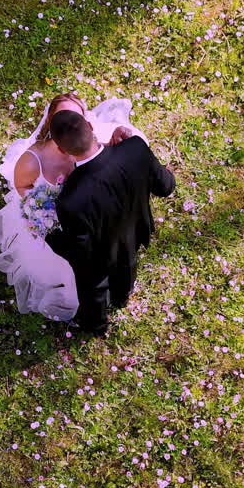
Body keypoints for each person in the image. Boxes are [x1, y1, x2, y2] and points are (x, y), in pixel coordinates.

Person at [0, 95, 146, 322]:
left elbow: (103, 157)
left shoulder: (88, 139)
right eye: (62, 118)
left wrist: (115, 141)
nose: (70, 124)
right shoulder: (32, 161)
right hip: (63, 231)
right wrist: (43, 210)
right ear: (52, 123)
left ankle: (117, 293)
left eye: (76, 117)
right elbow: (22, 186)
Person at [44, 109, 175, 335]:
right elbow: (165, 187)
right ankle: (122, 297)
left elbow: (81, 252)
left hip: (100, 253)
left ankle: (95, 326)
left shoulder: (71, 198)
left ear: (62, 150)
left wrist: (53, 239)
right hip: (134, 230)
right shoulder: (135, 148)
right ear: (90, 126)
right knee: (128, 263)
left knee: (92, 286)